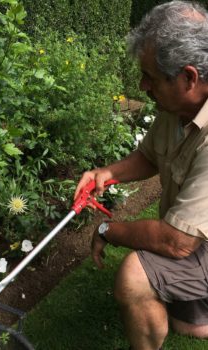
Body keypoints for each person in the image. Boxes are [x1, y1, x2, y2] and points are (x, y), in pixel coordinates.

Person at [74, 1, 208, 349]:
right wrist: (106, 173)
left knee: (134, 276)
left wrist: (109, 230)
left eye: (150, 76)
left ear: (189, 77)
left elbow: (175, 242)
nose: (142, 85)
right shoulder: (178, 104)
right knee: (189, 328)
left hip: (194, 240)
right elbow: (150, 156)